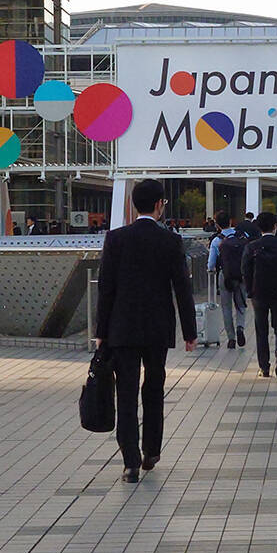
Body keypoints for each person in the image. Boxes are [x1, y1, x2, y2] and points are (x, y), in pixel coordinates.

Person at [93, 179, 197, 483]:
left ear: (134, 205)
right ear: (159, 205)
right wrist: (190, 331)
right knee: (154, 388)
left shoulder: (115, 238)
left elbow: (106, 288)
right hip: (157, 329)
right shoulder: (170, 241)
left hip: (122, 328)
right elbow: (182, 288)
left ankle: (131, 463)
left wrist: (101, 331)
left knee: (126, 393)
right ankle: (151, 451)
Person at [242, 211, 277, 378]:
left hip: (259, 293)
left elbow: (245, 271)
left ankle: (264, 367)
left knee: (261, 330)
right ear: (275, 227)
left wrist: (250, 291)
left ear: (259, 228)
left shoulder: (251, 247)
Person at [207, 211, 248, 348]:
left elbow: (211, 264)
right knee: (241, 304)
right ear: (230, 221)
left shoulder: (216, 240)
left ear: (217, 225)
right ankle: (240, 327)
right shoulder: (242, 235)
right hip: (241, 275)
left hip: (225, 276)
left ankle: (231, 338)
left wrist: (211, 270)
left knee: (226, 307)